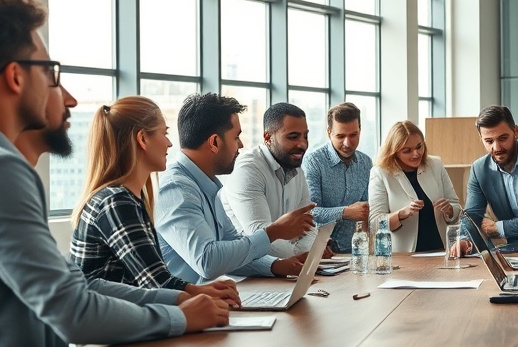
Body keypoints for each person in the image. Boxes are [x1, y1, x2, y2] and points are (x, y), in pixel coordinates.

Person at [0, 0, 227, 347]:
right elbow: (72, 310)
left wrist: (179, 302)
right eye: (50, 73)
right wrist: (180, 318)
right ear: (16, 76)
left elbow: (78, 284)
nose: (67, 96)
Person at [69, 96, 240, 306]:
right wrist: (200, 293)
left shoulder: (128, 199)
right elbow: (155, 282)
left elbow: (153, 280)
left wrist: (201, 291)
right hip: (107, 331)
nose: (169, 143)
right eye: (164, 133)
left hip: (127, 320)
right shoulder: (116, 202)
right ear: (142, 139)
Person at [156, 93, 306, 283]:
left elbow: (232, 251)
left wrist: (276, 265)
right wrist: (273, 232)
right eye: (236, 137)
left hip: (209, 300)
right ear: (214, 142)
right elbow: (207, 261)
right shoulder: (177, 188)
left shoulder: (208, 186)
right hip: (183, 308)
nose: (241, 145)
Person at [221, 102, 329, 259]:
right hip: (245, 277)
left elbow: (309, 227)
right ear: (268, 137)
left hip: (286, 272)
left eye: (305, 135)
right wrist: (300, 255)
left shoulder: (296, 168)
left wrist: (302, 255)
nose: (302, 144)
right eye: (292, 137)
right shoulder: (248, 169)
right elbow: (260, 238)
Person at [368, 120, 461, 252]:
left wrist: (450, 210)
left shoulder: (435, 164)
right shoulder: (380, 173)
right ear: (394, 152)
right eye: (407, 151)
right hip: (403, 257)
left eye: (419, 147)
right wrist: (400, 214)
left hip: (440, 250)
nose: (416, 154)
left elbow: (456, 207)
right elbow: (375, 224)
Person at [463, 105, 518, 244]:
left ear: (515, 131)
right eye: (489, 141)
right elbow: (471, 216)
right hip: (513, 250)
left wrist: (497, 228)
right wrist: (463, 239)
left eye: (502, 138)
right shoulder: (479, 169)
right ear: (481, 138)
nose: (496, 148)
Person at [302, 102, 372, 253]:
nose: (347, 143)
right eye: (340, 136)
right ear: (329, 132)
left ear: (360, 130)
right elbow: (310, 213)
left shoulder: (366, 162)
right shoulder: (313, 162)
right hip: (322, 253)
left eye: (353, 135)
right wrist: (345, 212)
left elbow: (366, 211)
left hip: (356, 252)